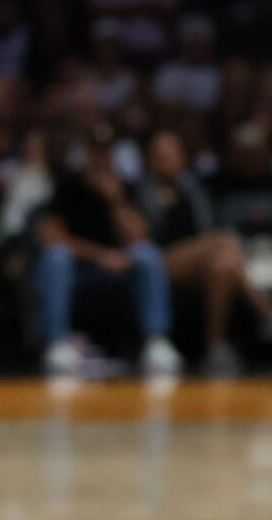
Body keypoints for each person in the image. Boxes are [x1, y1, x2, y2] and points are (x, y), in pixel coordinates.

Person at [136, 129, 272, 373]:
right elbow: (139, 242)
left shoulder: (193, 193)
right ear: (148, 159)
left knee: (222, 264)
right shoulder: (140, 192)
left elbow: (205, 231)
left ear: (183, 158)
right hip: (156, 264)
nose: (167, 160)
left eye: (172, 154)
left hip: (197, 265)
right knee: (223, 242)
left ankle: (215, 348)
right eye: (161, 155)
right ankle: (267, 310)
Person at [37, 147, 180, 377]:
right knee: (56, 258)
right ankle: (58, 342)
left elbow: (139, 237)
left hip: (120, 268)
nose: (100, 161)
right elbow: (51, 238)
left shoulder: (126, 187)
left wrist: (115, 199)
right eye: (95, 152)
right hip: (79, 269)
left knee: (148, 255)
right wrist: (99, 255)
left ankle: (156, 341)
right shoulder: (68, 187)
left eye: (105, 153)